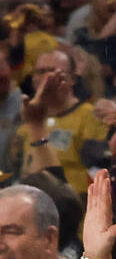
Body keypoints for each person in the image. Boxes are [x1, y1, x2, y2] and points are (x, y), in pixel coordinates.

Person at [8, 49, 109, 194]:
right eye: (41, 72)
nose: (47, 78)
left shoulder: (90, 116)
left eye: (55, 72)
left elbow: (98, 175)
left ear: (72, 78)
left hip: (73, 208)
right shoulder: (26, 119)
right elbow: (14, 172)